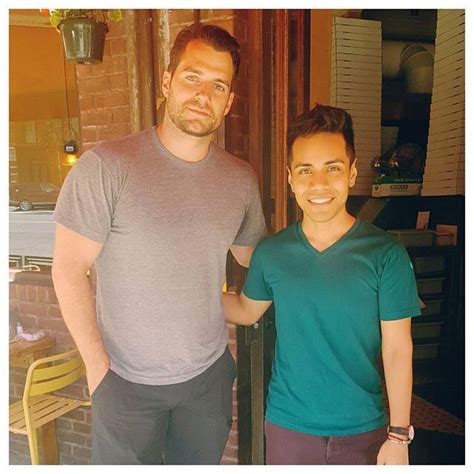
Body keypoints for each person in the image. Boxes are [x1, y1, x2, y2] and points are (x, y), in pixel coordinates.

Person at [52, 23, 267, 465]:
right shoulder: (106, 168)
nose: (202, 94)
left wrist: (326, 247)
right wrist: (97, 369)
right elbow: (69, 268)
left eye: (218, 85)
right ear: (167, 82)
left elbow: (259, 259)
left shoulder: (239, 180)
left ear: (229, 102)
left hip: (206, 381)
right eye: (192, 77)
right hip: (125, 384)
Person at [223, 104, 421, 465]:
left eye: (332, 168)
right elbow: (245, 310)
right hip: (288, 427)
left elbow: (397, 349)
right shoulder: (272, 253)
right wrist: (190, 290)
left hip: (364, 428)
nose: (318, 184)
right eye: (305, 171)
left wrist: (398, 434)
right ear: (290, 178)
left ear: (351, 173)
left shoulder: (385, 253)